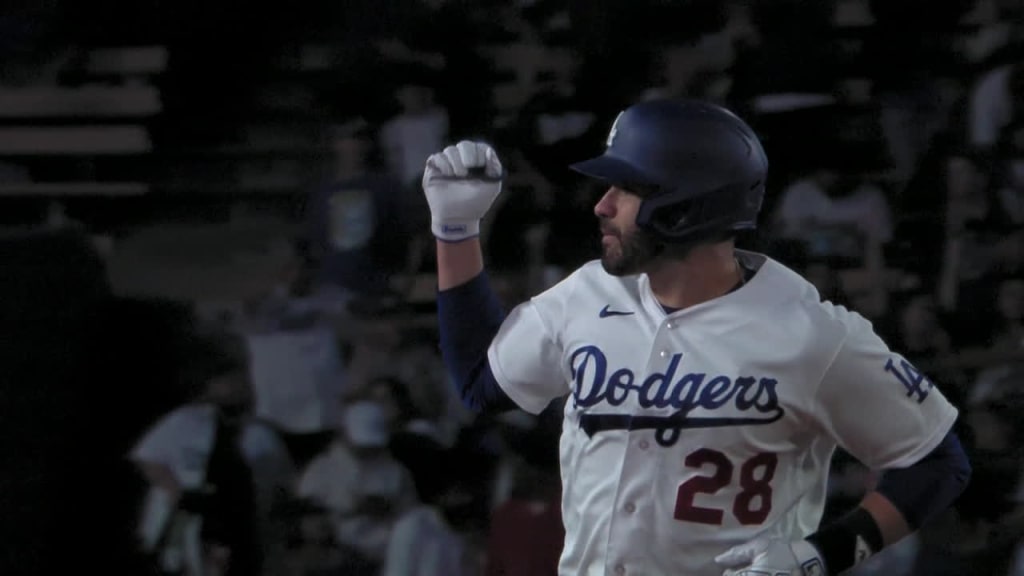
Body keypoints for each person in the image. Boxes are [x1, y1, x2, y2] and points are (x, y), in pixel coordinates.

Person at [421, 99, 971, 576]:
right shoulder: (582, 298)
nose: (602, 205)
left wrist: (823, 554)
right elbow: (480, 384)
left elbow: (936, 462)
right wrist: (455, 231)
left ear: (684, 208)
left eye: (627, 189)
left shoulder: (810, 335)